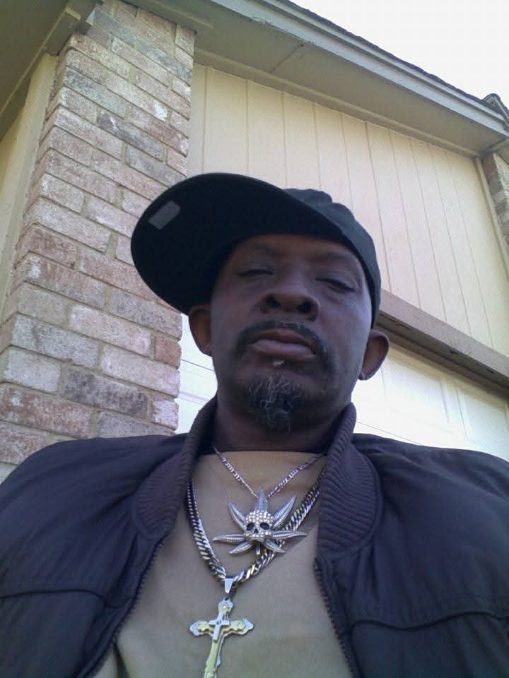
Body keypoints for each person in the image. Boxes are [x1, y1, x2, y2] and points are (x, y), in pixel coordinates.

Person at [0, 173, 508, 678]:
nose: (290, 293)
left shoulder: (485, 503)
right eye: (256, 272)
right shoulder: (54, 487)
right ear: (204, 328)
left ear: (369, 355)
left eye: (334, 283)